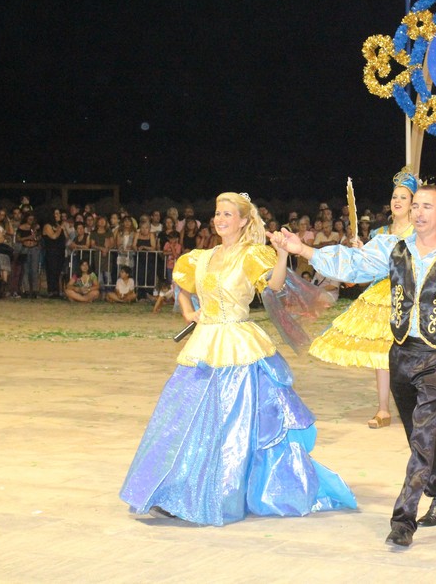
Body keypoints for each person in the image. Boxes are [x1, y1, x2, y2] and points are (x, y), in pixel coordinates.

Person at [276, 184, 436, 549]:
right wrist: (302, 249)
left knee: (422, 437)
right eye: (415, 206)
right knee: (419, 435)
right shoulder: (392, 249)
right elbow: (353, 264)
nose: (418, 212)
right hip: (400, 354)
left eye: (427, 206)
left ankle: (403, 520)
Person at [121, 192, 356, 526]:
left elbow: (274, 285)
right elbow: (181, 284)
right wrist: (189, 312)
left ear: (244, 221)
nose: (220, 219)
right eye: (218, 213)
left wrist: (281, 255)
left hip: (237, 348)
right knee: (184, 421)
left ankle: (221, 493)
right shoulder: (201, 258)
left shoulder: (251, 256)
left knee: (230, 427)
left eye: (228, 214)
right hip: (203, 347)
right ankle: (175, 491)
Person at [306, 168, 418, 430]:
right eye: (395, 196)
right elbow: (368, 274)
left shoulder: (419, 231)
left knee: (411, 352)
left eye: (403, 197)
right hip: (381, 296)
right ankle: (383, 409)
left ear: (413, 202)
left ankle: (414, 405)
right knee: (381, 354)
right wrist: (360, 256)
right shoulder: (379, 233)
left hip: (411, 295)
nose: (397, 201)